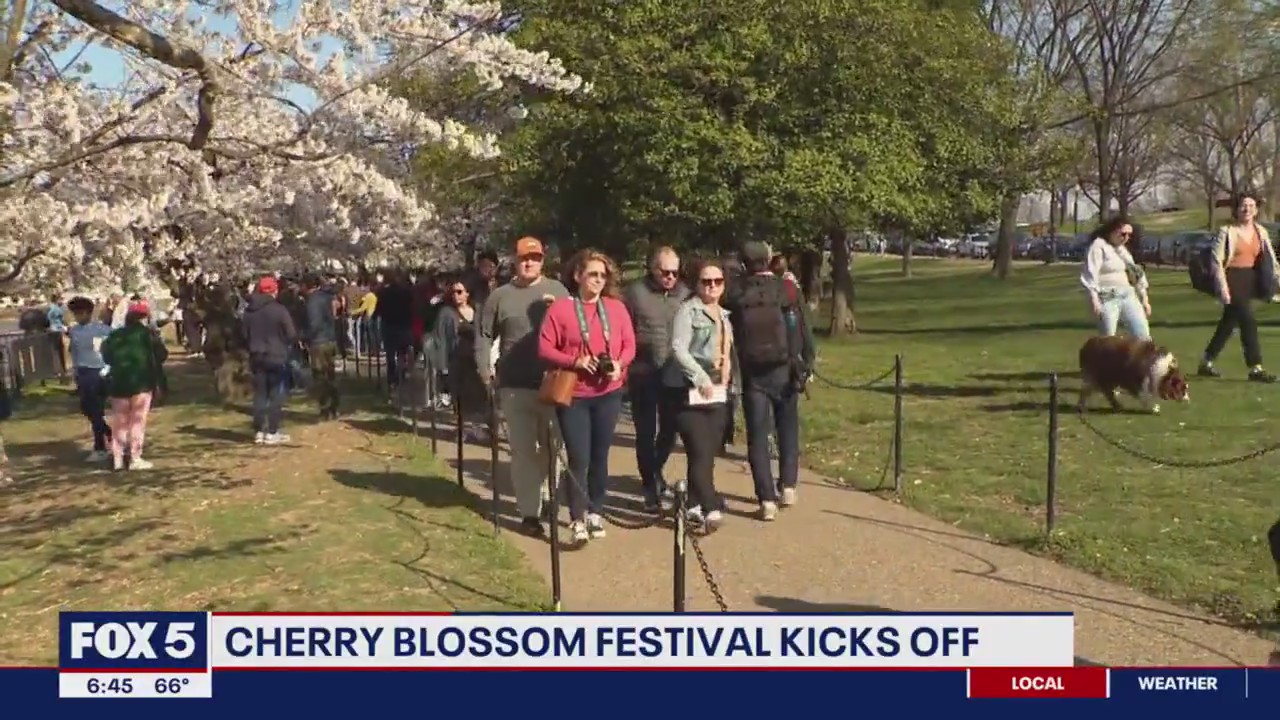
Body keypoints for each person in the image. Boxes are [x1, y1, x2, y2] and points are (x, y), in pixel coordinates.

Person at [539, 249, 636, 543]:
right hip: (576, 394)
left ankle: (596, 511)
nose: (598, 280)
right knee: (579, 457)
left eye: (602, 275)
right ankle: (577, 518)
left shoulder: (616, 308)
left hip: (608, 392)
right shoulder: (561, 309)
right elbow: (544, 348)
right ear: (578, 276)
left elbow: (630, 344)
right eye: (592, 274)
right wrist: (575, 361)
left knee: (600, 455)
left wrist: (619, 364)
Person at [476, 236, 569, 537]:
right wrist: (484, 368)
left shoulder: (557, 291)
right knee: (524, 451)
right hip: (515, 384)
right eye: (524, 258)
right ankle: (530, 513)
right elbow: (484, 334)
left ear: (543, 260)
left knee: (554, 448)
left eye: (535, 258)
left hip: (553, 384)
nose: (529, 263)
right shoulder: (499, 296)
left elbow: (574, 330)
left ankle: (546, 494)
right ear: (514, 261)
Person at [725, 241, 816, 521]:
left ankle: (766, 499)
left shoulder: (736, 292)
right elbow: (802, 325)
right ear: (768, 259)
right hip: (784, 368)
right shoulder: (786, 288)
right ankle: (788, 484)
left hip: (753, 373)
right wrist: (807, 361)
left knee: (758, 436)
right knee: (787, 428)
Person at [665, 259, 735, 531]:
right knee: (700, 449)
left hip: (717, 393)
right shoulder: (688, 311)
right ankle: (711, 505)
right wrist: (700, 378)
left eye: (718, 281)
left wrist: (727, 377)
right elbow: (679, 349)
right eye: (707, 281)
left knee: (704, 455)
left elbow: (726, 352)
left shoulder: (724, 315)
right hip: (689, 392)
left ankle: (691, 504)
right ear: (697, 284)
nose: (713, 286)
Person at [622, 246, 690, 512]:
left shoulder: (685, 294)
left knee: (670, 430)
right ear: (653, 269)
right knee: (645, 431)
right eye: (665, 272)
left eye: (675, 272)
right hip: (643, 372)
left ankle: (655, 469)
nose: (671, 277)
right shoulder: (635, 293)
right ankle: (650, 485)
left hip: (673, 373)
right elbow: (624, 329)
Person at [1199, 195, 1280, 382]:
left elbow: (1271, 259)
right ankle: (1256, 367)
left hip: (1251, 278)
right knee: (1248, 320)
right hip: (1232, 278)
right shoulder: (1227, 231)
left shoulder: (1261, 231)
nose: (1247, 209)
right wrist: (1222, 287)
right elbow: (1216, 261)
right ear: (1236, 209)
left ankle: (1206, 361)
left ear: (1256, 210)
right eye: (1244, 206)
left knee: (1228, 324)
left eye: (1251, 206)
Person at [100, 302, 164, 471]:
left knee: (119, 421)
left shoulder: (115, 335)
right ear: (144, 319)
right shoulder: (148, 335)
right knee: (137, 420)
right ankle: (135, 457)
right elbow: (161, 354)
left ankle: (118, 458)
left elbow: (106, 356)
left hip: (118, 382)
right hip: (142, 381)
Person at [243, 276, 298, 444]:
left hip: (256, 355)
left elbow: (244, 334)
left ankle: (259, 430)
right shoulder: (279, 310)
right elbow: (291, 334)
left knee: (260, 394)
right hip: (276, 355)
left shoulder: (249, 311)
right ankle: (272, 431)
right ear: (274, 291)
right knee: (276, 394)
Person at [1079, 216, 1151, 340]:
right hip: (1107, 296)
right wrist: (1094, 299)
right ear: (1112, 231)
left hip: (1128, 295)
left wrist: (1144, 299)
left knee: (1143, 335)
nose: (1126, 238)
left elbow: (1136, 273)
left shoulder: (1122, 250)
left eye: (1129, 235)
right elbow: (1090, 273)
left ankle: (1142, 358)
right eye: (1123, 234)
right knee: (1108, 338)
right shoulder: (1099, 246)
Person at [434, 279, 488, 441]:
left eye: (459, 292)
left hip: (476, 360)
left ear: (467, 293)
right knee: (459, 397)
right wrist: (442, 366)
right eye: (453, 292)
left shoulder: (478, 311)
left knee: (478, 396)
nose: (456, 295)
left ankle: (477, 428)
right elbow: (441, 339)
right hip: (456, 361)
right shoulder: (446, 313)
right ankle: (462, 429)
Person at [66, 296, 113, 462]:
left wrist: (109, 368)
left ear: (88, 312)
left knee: (95, 409)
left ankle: (100, 446)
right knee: (87, 409)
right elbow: (74, 352)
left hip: (98, 371)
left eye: (80, 313)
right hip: (83, 372)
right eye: (75, 314)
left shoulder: (102, 330)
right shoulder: (74, 331)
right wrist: (75, 372)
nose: (77, 317)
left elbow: (110, 350)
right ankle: (108, 433)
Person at [303, 274, 341, 420]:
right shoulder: (327, 297)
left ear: (307, 286)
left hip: (318, 342)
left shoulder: (312, 301)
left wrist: (305, 336)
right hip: (330, 339)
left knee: (319, 376)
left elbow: (314, 323)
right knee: (330, 375)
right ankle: (334, 406)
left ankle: (325, 408)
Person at [376, 271, 415, 389]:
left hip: (389, 325)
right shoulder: (407, 293)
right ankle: (401, 374)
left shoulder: (383, 292)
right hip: (403, 325)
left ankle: (392, 378)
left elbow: (379, 310)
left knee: (390, 354)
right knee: (402, 353)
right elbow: (412, 308)